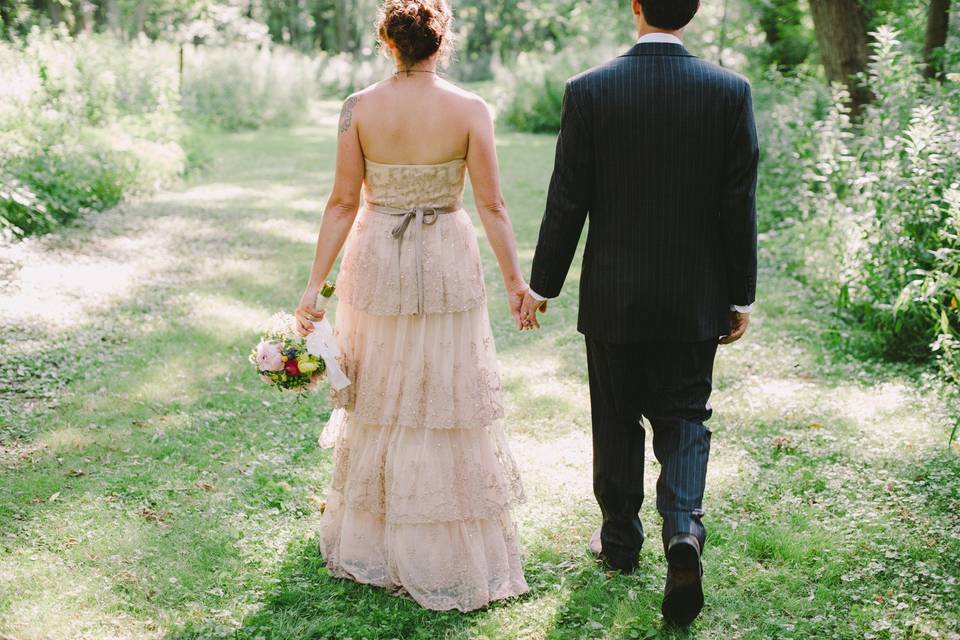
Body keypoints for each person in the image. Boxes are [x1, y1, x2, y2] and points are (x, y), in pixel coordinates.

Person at [520, 0, 759, 627]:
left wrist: (542, 284)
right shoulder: (729, 91)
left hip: (614, 295)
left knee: (617, 417)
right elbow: (738, 202)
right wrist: (739, 294)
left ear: (635, 8)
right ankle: (682, 530)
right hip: (692, 296)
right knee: (685, 414)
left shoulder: (590, 90)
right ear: (695, 11)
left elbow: (567, 197)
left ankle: (620, 545)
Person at [293, 0, 531, 613]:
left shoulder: (358, 109)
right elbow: (494, 206)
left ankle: (378, 537)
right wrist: (514, 282)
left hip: (376, 255)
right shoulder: (471, 109)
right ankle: (433, 539)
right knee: (442, 390)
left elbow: (343, 202)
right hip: (446, 254)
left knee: (380, 392)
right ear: (440, 42)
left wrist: (314, 288)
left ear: (388, 43)